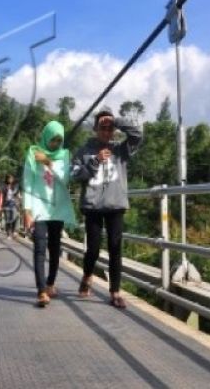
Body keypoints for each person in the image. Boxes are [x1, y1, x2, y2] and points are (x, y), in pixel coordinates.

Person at [72, 107, 143, 309]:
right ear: (95, 129)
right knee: (93, 249)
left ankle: (115, 292)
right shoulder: (84, 151)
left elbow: (138, 135)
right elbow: (75, 175)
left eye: (110, 128)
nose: (106, 132)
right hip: (93, 206)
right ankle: (87, 275)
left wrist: (117, 120)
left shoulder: (120, 149)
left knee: (115, 247)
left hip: (115, 205)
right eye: (102, 127)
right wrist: (94, 161)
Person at [23, 120, 77, 308]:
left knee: (55, 248)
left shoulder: (64, 155)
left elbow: (66, 179)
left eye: (58, 140)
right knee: (39, 246)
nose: (55, 144)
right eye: (52, 139)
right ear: (46, 137)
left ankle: (51, 283)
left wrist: (48, 162)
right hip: (39, 208)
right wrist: (27, 210)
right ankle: (41, 291)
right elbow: (28, 182)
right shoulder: (32, 153)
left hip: (57, 208)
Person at [1, 174, 21, 239]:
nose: (10, 180)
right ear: (7, 179)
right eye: (9, 178)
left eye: (11, 178)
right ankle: (8, 234)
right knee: (8, 220)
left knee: (15, 217)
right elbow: (1, 196)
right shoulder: (4, 186)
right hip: (6, 205)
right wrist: (0, 205)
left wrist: (20, 199)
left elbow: (18, 194)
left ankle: (14, 231)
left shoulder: (15, 186)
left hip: (14, 205)